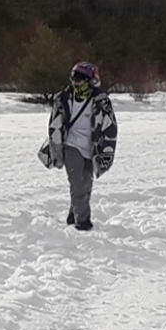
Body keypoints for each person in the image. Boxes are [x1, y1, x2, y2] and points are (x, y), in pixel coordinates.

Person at [38, 62, 118, 231]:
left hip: (91, 148)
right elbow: (54, 124)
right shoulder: (64, 98)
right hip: (70, 145)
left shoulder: (101, 102)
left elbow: (110, 128)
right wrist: (56, 148)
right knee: (77, 184)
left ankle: (72, 216)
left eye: (80, 78)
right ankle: (83, 222)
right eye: (74, 77)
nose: (76, 82)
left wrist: (106, 153)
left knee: (86, 184)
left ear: (91, 80)